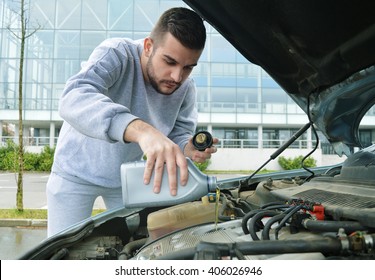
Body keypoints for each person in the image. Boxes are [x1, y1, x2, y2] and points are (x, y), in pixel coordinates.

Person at [46, 7, 218, 237]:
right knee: (61, 254)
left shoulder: (185, 88)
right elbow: (73, 97)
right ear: (148, 46)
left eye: (187, 67)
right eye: (169, 61)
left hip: (126, 180)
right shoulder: (116, 54)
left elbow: (177, 136)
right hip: (74, 173)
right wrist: (140, 130)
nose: (177, 77)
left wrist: (187, 148)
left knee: (134, 250)